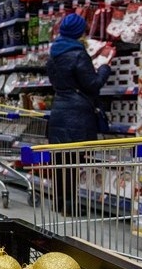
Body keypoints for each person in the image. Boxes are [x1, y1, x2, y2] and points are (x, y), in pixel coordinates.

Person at [46, 13, 111, 215]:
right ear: (78, 32)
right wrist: (104, 68)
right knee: (72, 162)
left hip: (59, 110)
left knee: (59, 161)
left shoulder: (53, 54)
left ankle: (59, 202)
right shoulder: (78, 54)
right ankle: (70, 206)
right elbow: (92, 84)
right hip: (76, 114)